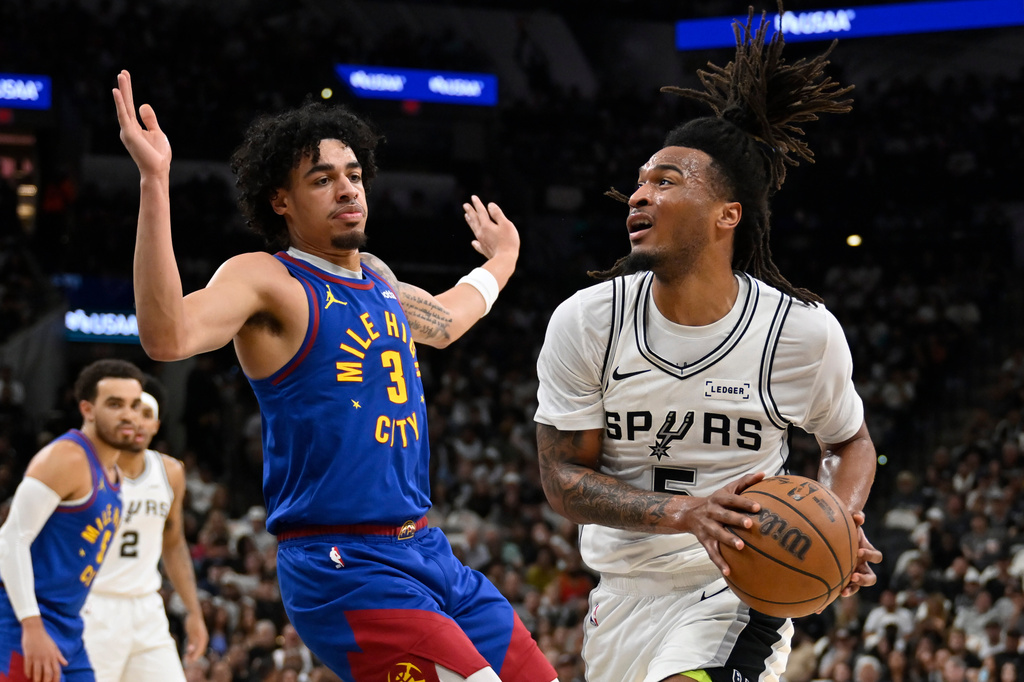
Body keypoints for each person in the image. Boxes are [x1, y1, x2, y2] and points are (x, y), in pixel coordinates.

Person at [112, 70, 557, 682]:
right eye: (321, 180)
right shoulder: (268, 279)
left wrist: (502, 261)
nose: (346, 189)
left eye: (352, 174)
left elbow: (447, 320)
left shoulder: (375, 276)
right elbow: (166, 336)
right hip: (341, 562)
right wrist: (154, 181)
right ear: (281, 200)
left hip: (426, 549)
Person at [534, 10, 882, 682]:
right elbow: (562, 477)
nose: (639, 194)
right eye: (639, 181)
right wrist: (685, 513)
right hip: (620, 598)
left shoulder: (799, 333)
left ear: (728, 215)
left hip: (740, 587)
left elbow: (848, 440)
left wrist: (839, 515)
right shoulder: (586, 321)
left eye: (666, 181)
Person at [0, 358, 145, 682]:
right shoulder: (66, 457)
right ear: (87, 409)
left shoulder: (113, 472)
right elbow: (10, 539)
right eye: (115, 404)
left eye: (135, 405)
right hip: (21, 620)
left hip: (68, 626)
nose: (128, 415)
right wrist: (31, 625)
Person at [81, 376, 209, 681]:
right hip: (93, 605)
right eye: (132, 413)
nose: (138, 422)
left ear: (156, 424)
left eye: (147, 415)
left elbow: (174, 544)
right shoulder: (86, 469)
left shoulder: (170, 472)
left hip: (147, 608)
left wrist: (194, 611)